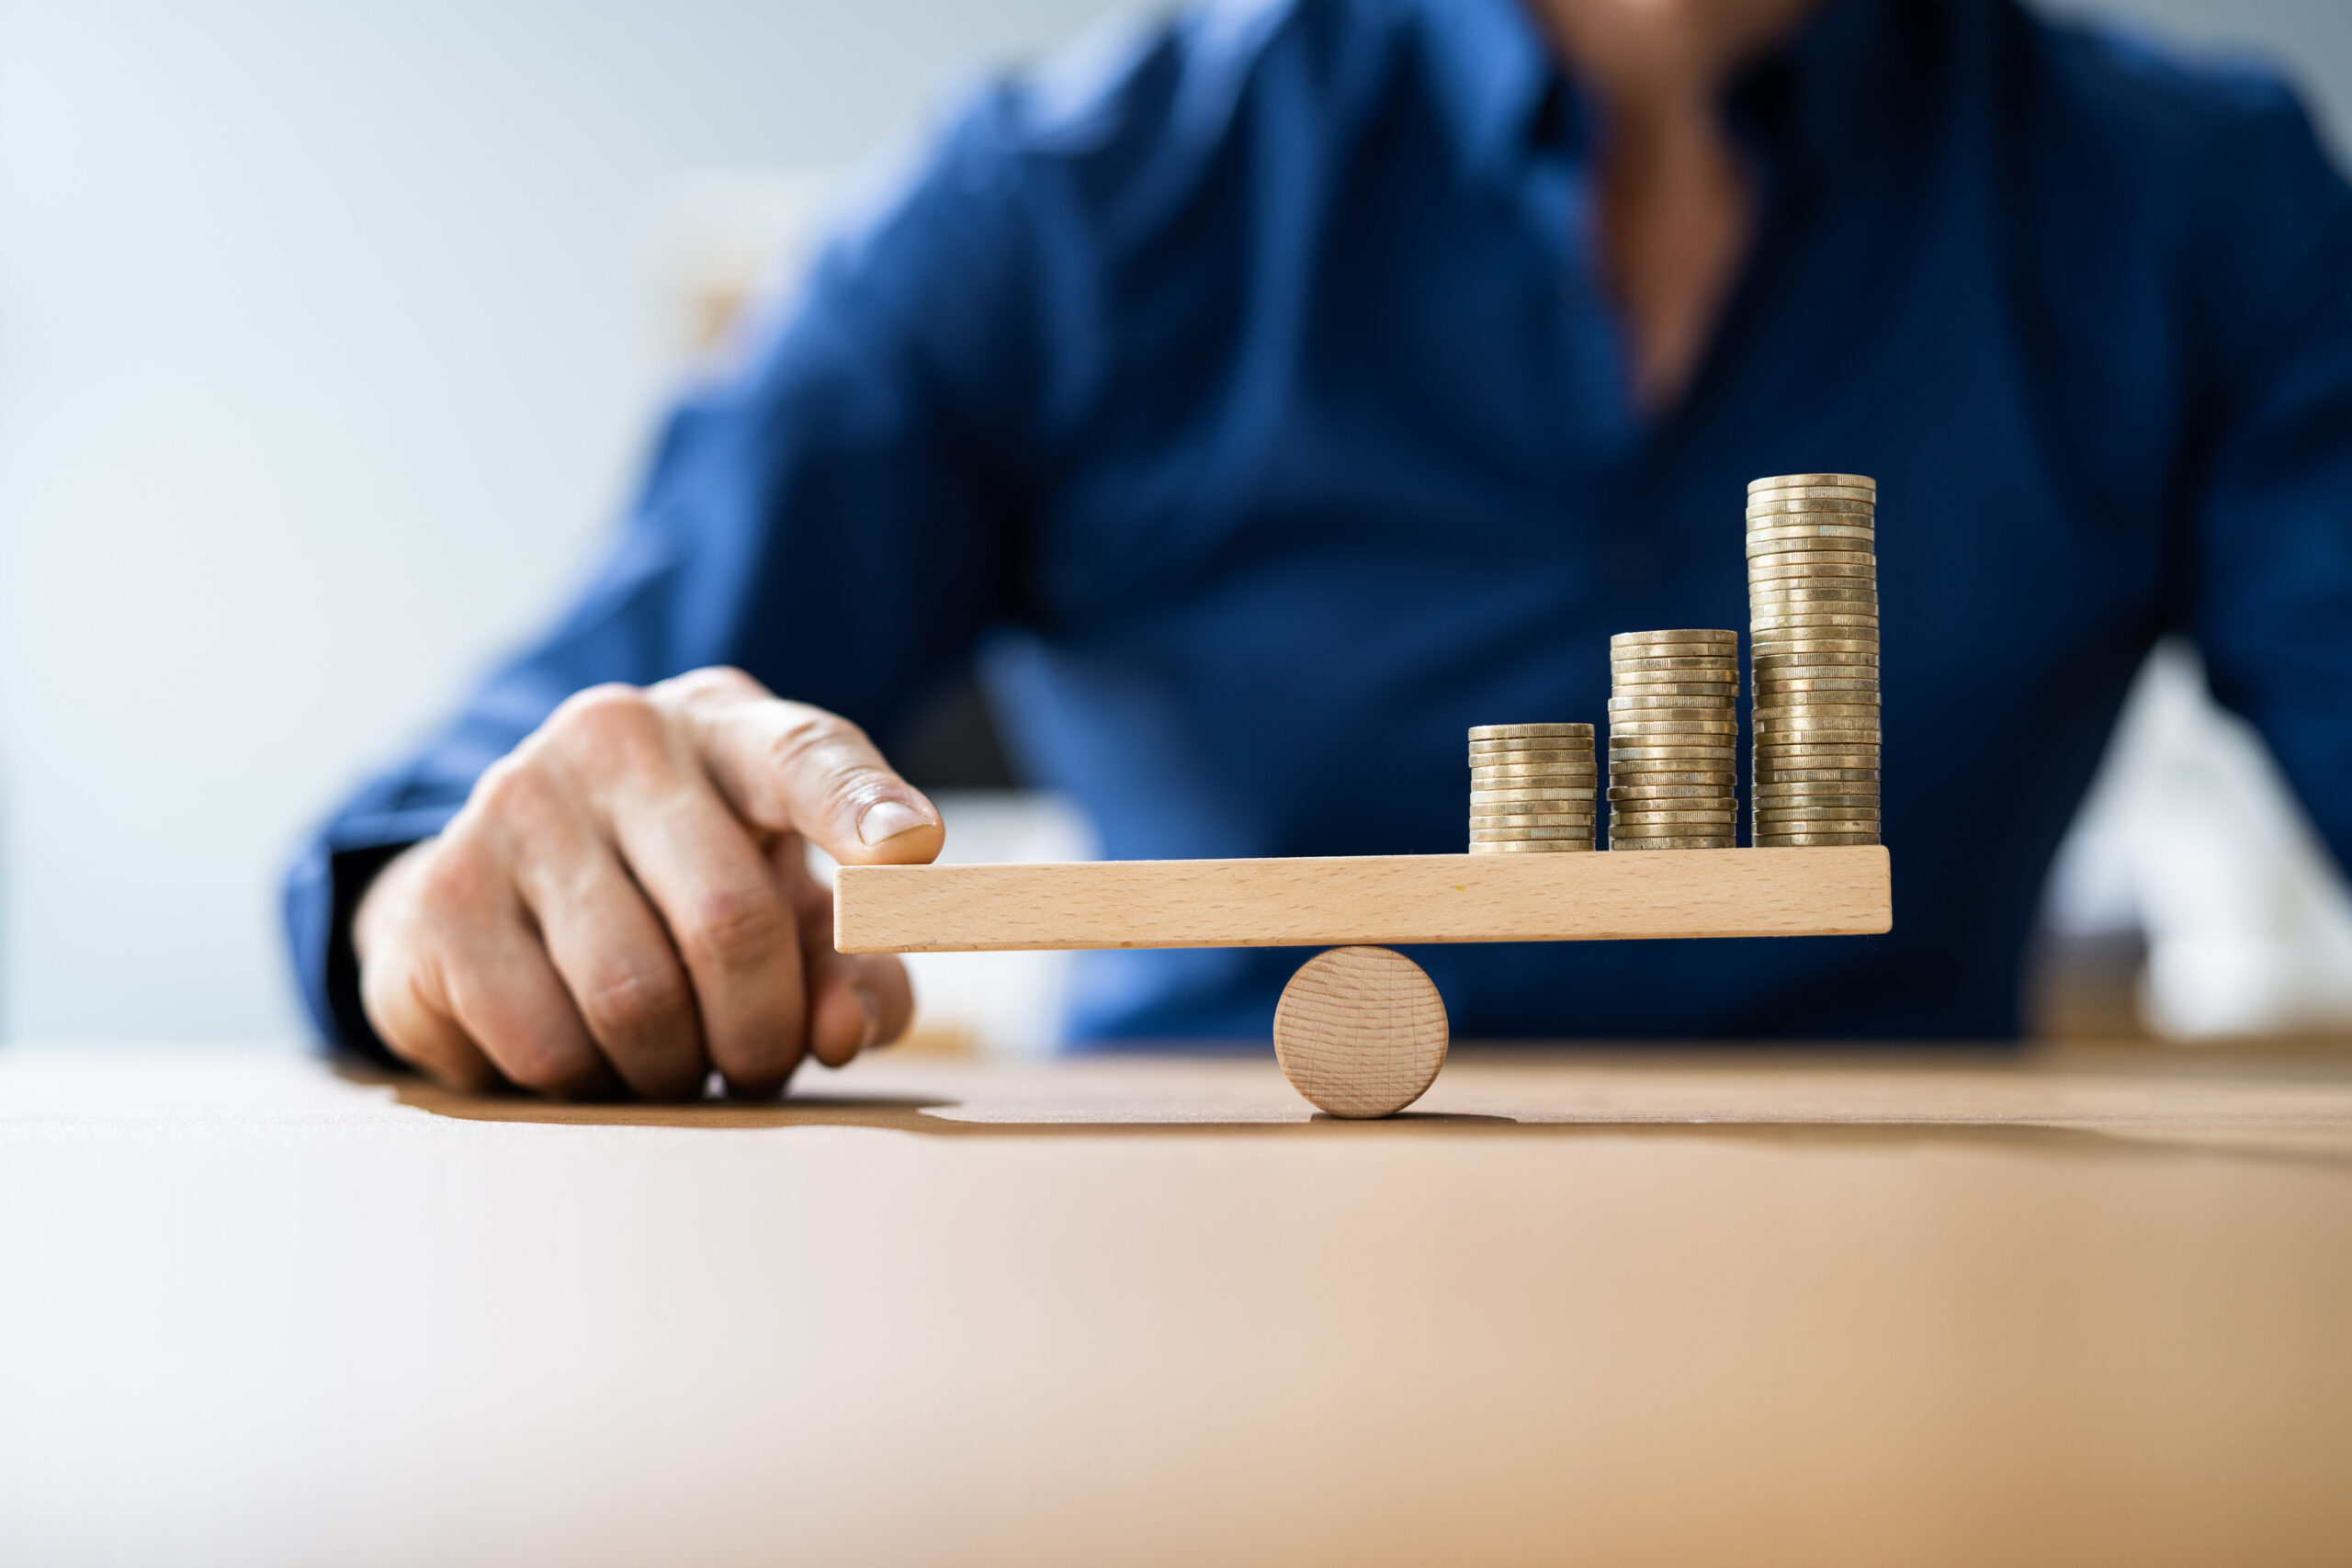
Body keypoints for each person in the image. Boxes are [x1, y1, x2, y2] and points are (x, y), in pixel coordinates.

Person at [287, 0, 2352, 1099]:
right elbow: (529, 754)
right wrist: (458, 896)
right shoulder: (1059, 207)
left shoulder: (2202, 206)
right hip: (1182, 1278)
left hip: (1929, 1298)